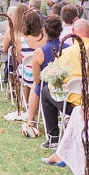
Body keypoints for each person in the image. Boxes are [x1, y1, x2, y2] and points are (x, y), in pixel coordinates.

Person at [32, 16, 63, 147]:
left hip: (48, 88)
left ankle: (53, 135)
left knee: (40, 87)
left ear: (44, 31)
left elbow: (37, 80)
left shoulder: (39, 52)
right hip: (65, 88)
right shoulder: (67, 47)